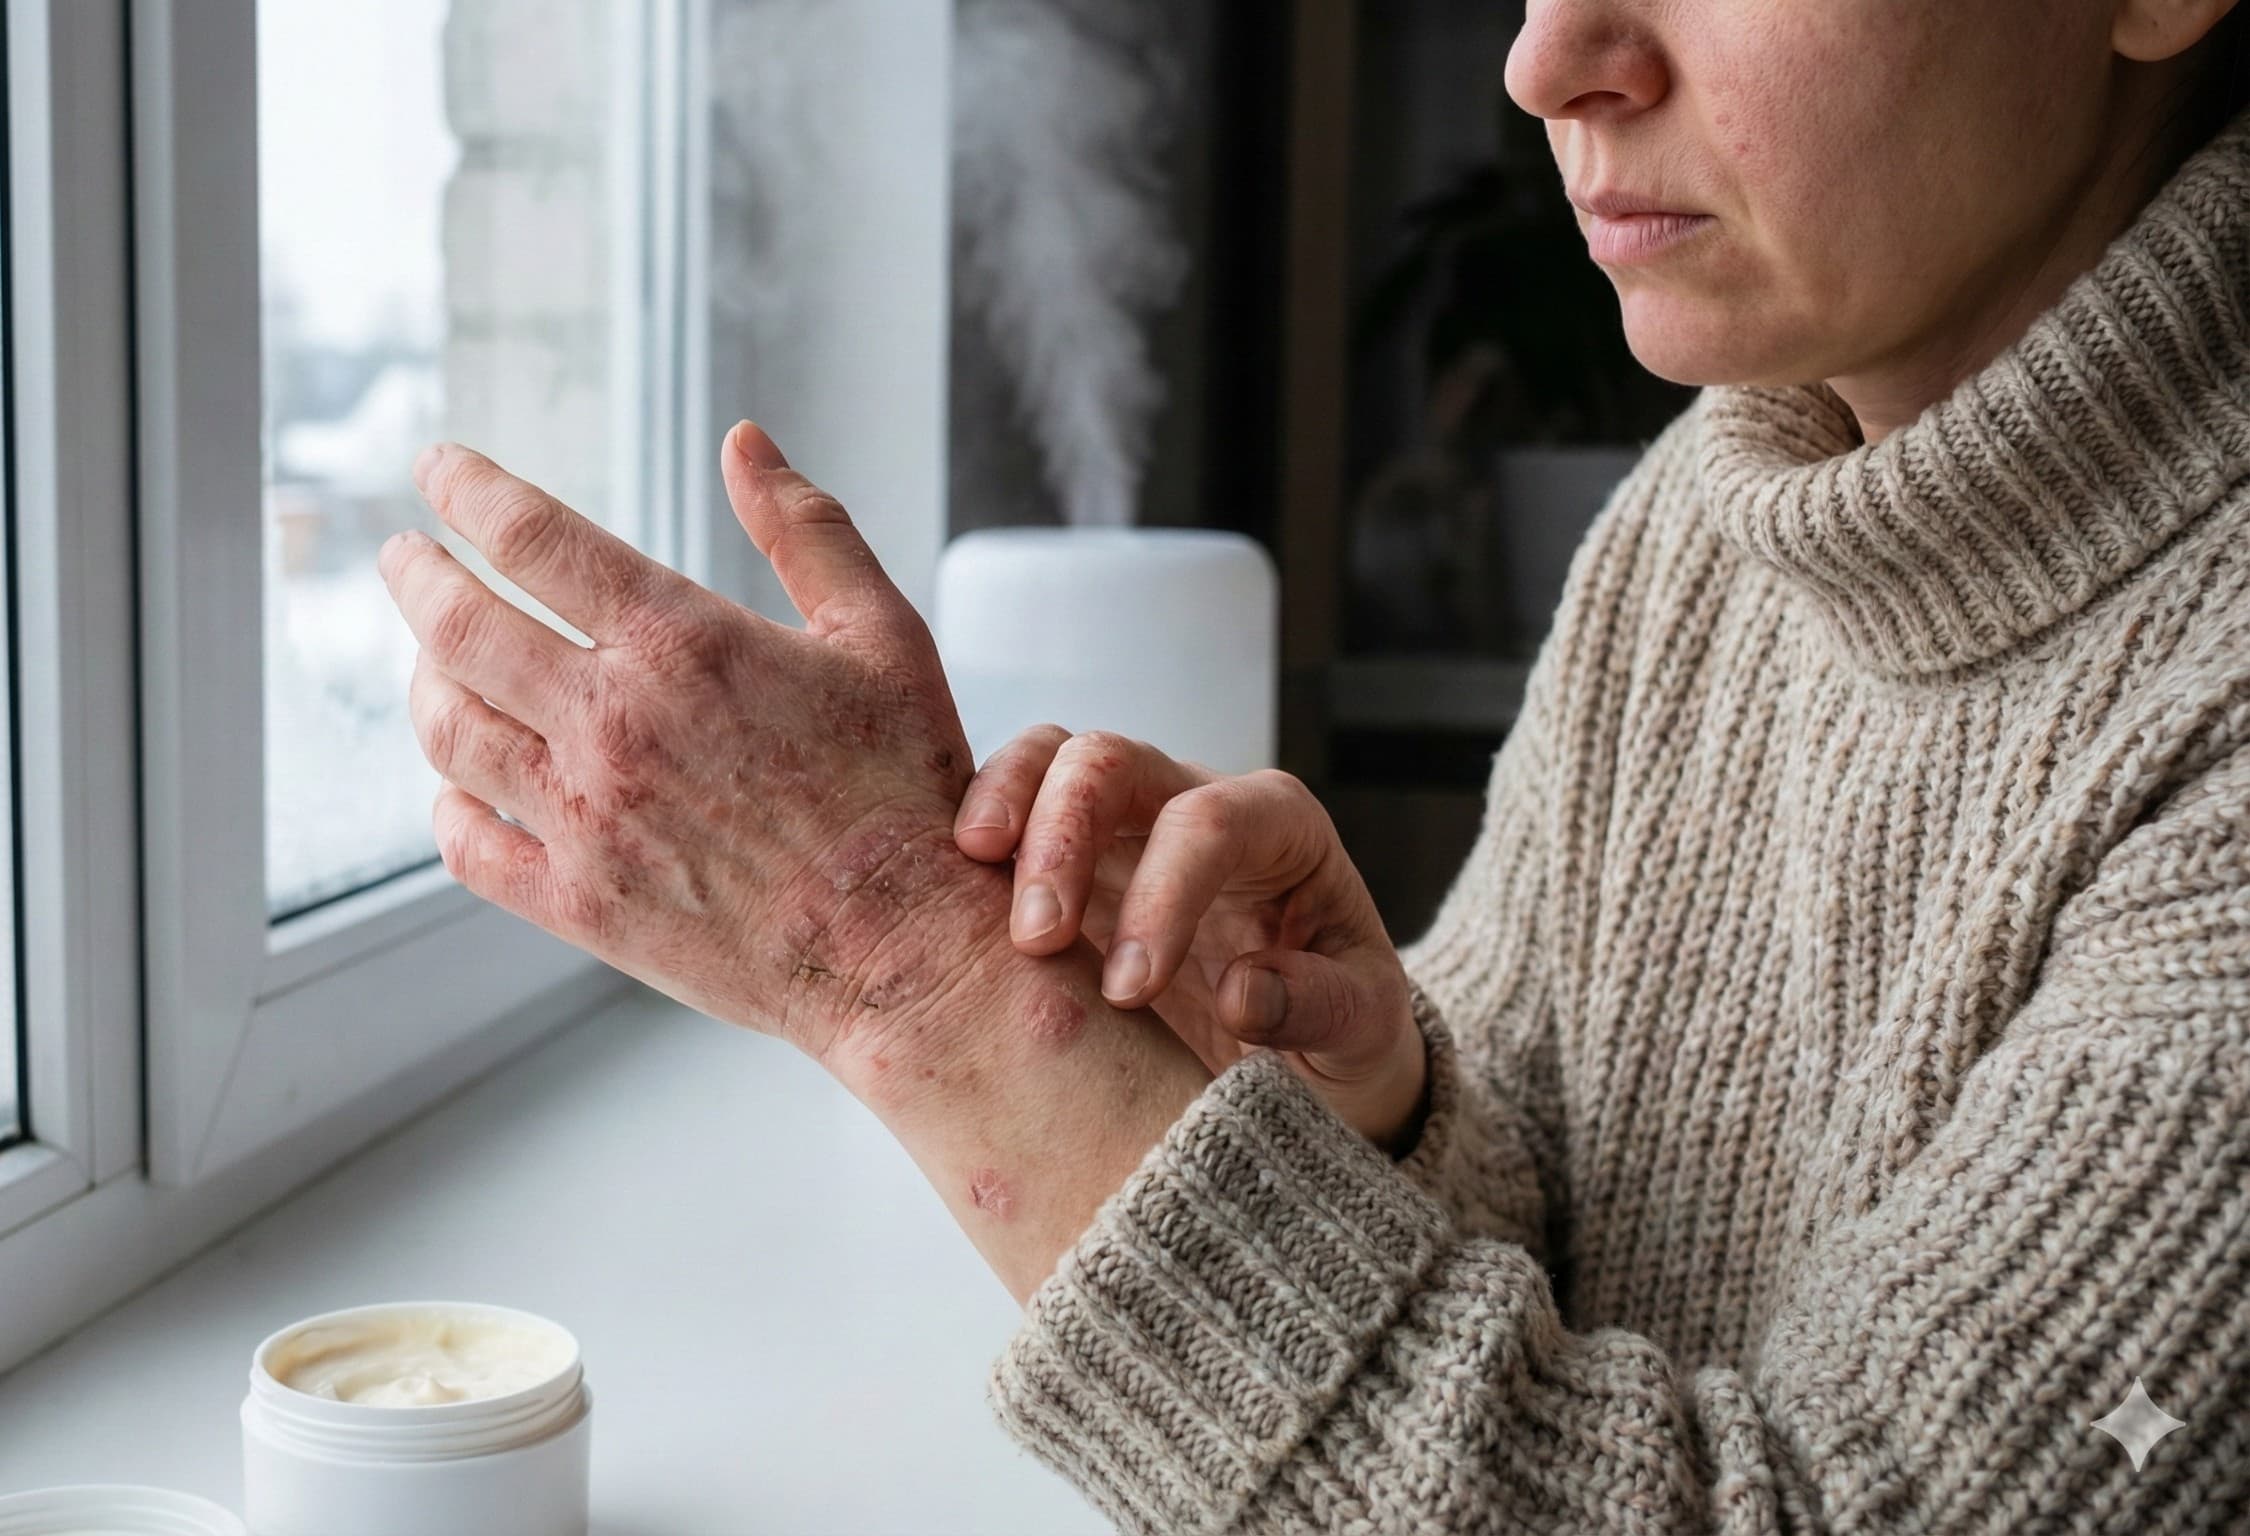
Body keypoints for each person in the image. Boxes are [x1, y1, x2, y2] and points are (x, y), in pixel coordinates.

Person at [379, 0, 2250, 1528]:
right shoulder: (1718, 506)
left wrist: (894, 961)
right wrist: (1391, 1098)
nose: (1546, 56)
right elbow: (1592, 1252)